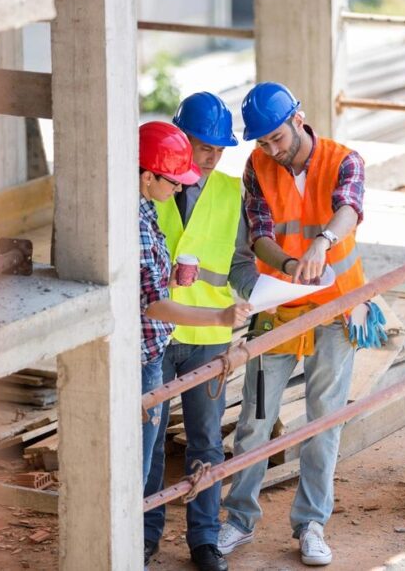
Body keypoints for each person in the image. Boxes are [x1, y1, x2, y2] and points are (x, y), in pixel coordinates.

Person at [218, 82, 366, 567]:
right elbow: (259, 233)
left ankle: (311, 523)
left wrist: (322, 243)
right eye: (261, 142)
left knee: (323, 418)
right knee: (256, 417)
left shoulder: (345, 160)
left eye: (277, 138)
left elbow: (349, 208)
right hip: (278, 308)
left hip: (336, 311)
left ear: (299, 120)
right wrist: (284, 267)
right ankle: (238, 520)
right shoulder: (257, 167)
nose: (271, 150)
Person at [143, 94, 258, 571]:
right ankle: (145, 536)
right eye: (203, 145)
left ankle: (204, 540)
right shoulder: (154, 186)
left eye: (219, 148)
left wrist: (254, 297)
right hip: (158, 333)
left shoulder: (231, 192)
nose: (211, 156)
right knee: (147, 444)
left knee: (207, 440)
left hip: (208, 335)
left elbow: (241, 260)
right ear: (180, 136)